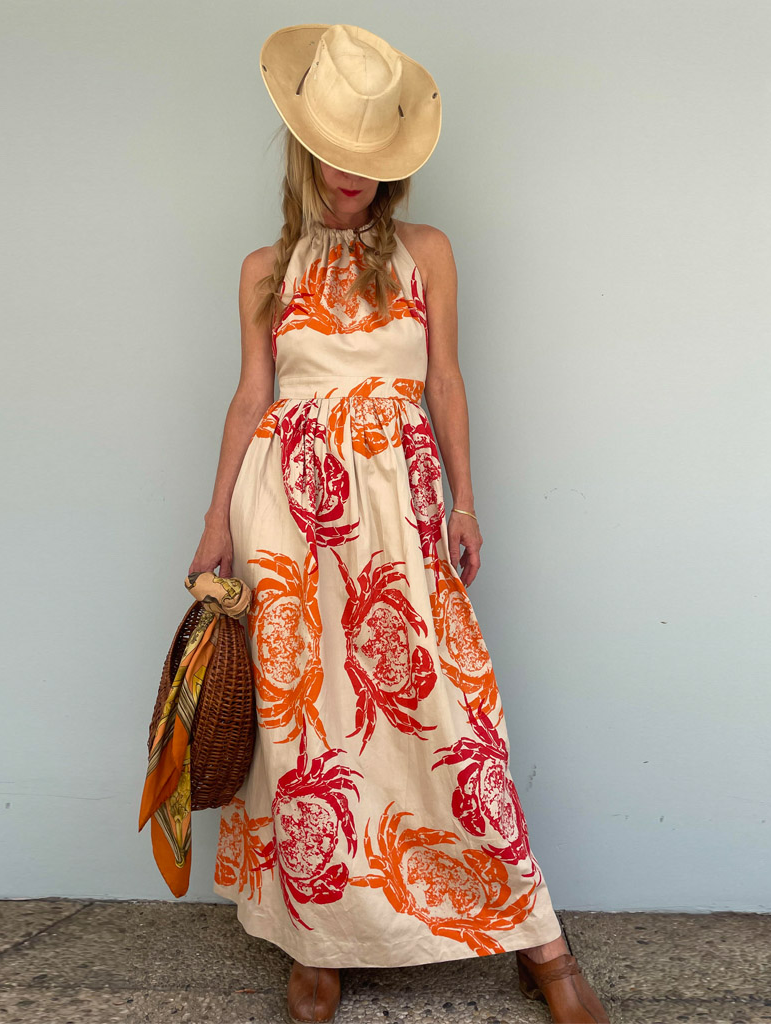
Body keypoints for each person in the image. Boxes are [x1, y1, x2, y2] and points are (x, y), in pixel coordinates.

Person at [189, 23, 611, 1024]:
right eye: (336, 150)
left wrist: (465, 499)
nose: (353, 173)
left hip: (398, 504)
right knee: (305, 725)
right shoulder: (263, 269)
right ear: (303, 147)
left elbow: (445, 381)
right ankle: (318, 943)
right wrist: (214, 522)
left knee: (447, 712)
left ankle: (537, 938)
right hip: (284, 512)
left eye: (373, 154)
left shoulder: (427, 253)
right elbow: (250, 398)